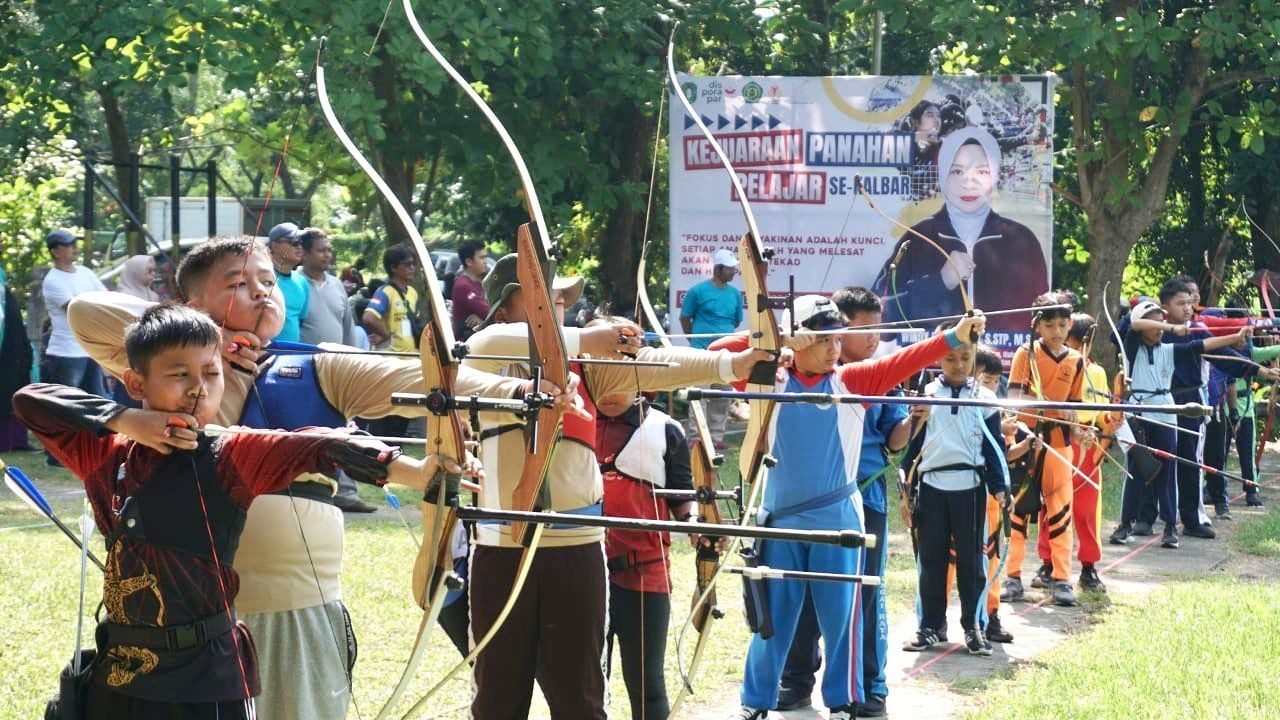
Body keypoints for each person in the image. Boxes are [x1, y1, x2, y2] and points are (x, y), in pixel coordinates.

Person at [67, 236, 539, 720]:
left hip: (297, 607)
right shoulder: (162, 363)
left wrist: (520, 390)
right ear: (192, 302)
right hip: (185, 618)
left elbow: (429, 379)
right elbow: (85, 311)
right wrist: (203, 337)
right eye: (238, 283)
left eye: (268, 281)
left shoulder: (318, 367)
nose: (261, 292)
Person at [14, 302, 440, 720]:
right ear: (136, 383)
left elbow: (321, 444)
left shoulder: (230, 452)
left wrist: (420, 474)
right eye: (179, 375)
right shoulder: (105, 452)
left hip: (207, 673)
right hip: (122, 673)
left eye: (211, 373)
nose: (198, 388)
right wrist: (124, 420)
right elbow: (30, 400)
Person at [459, 252, 772, 719]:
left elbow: (656, 364)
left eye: (562, 300)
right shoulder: (486, 358)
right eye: (545, 296)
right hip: (502, 547)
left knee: (579, 696)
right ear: (505, 306)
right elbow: (484, 342)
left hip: (577, 548)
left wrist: (736, 364)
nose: (558, 306)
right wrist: (585, 335)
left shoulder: (586, 367)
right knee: (497, 697)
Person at [713, 296, 987, 720]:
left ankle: (842, 702)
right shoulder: (770, 378)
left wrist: (954, 336)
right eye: (822, 339)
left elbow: (909, 359)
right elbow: (718, 354)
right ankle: (755, 701)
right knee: (771, 618)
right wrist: (778, 339)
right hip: (781, 520)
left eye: (837, 339)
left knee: (841, 618)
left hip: (836, 518)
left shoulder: (851, 380)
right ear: (799, 338)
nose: (833, 348)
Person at [777, 287, 909, 716]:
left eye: (879, 329)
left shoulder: (878, 375)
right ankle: (795, 681)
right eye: (863, 329)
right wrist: (782, 346)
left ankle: (870, 688)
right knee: (797, 592)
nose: (873, 339)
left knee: (861, 597)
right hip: (801, 502)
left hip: (862, 498)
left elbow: (894, 440)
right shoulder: (791, 371)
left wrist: (914, 418)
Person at [872, 127, 1047, 333]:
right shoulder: (918, 239)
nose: (968, 182)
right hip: (932, 361)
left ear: (996, 176)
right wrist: (941, 281)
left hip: (1000, 362)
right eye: (957, 171)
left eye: (981, 171)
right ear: (942, 177)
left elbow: (1041, 317)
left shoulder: (1020, 240)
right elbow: (879, 316)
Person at [901, 323, 1008, 658]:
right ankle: (930, 627)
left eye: (965, 358)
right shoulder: (928, 395)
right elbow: (911, 446)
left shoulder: (986, 398)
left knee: (972, 564)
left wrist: (1001, 487)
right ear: (937, 359)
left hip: (971, 489)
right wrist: (905, 483)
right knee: (931, 561)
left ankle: (973, 628)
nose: (959, 365)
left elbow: (994, 449)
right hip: (932, 487)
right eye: (949, 358)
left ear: (974, 355)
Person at [1107, 300, 1249, 549]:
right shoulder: (1132, 346)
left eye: (1162, 321)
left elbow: (1203, 345)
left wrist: (1232, 337)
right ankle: (1126, 524)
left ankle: (1170, 526)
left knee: (1167, 467)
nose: (1160, 326)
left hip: (1165, 411)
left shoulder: (1170, 350)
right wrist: (1172, 328)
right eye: (1155, 321)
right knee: (1137, 468)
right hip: (1139, 412)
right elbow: (1133, 322)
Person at [594, 382, 695, 720]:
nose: (607, 385)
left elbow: (682, 501)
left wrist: (698, 528)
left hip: (643, 573)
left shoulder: (665, 428)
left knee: (647, 685)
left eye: (617, 373)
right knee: (584, 686)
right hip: (582, 570)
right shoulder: (572, 420)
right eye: (599, 371)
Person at [1000, 294, 1084, 608]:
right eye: (1049, 324)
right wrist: (1032, 418)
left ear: (1070, 324)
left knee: (1061, 510)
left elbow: (1076, 407)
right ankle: (1012, 576)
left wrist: (1077, 425)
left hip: (1060, 443)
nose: (1057, 331)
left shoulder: (1076, 361)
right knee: (1018, 509)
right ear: (1037, 325)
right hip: (1026, 441)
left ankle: (1062, 579)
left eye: (1063, 324)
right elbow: (1014, 401)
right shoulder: (1026, 354)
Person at [40, 229, 108, 463]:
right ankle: (55, 455)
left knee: (97, 400)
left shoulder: (86, 273)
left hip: (89, 349)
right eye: (68, 244)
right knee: (65, 407)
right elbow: (77, 309)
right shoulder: (53, 280)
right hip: (65, 353)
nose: (73, 247)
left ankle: (95, 452)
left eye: (73, 243)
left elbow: (105, 298)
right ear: (55, 251)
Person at [680, 247, 744, 449]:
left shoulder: (735, 294)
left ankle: (716, 437)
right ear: (718, 269)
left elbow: (735, 321)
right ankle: (695, 437)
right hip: (701, 351)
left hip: (726, 354)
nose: (734, 272)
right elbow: (685, 317)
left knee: (721, 396)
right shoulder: (698, 291)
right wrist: (694, 340)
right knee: (699, 395)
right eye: (730, 269)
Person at [298, 227, 357, 348]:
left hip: (336, 363)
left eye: (329, 250)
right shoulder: (294, 283)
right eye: (321, 251)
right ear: (304, 254)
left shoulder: (337, 285)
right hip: (303, 362)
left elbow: (348, 328)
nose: (327, 255)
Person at [362, 243, 420, 352]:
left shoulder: (413, 293)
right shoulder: (385, 292)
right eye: (407, 264)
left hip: (409, 357)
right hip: (390, 358)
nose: (412, 268)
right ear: (393, 267)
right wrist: (385, 334)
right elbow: (369, 318)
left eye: (413, 264)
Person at [0, 267, 34, 451]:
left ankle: (18, 440)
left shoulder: (2, 278)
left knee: (16, 389)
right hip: (4, 344)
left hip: (12, 342)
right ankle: (5, 441)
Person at [267, 222, 309, 342]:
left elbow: (300, 320)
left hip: (291, 354)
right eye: (293, 241)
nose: (299, 246)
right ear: (274, 246)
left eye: (301, 242)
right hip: (262, 354)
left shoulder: (302, 282)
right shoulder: (261, 278)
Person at [451, 239, 491, 341]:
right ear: (469, 262)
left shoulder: (482, 281)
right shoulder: (463, 286)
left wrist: (482, 322)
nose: (486, 262)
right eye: (481, 258)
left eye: (486, 257)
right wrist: (484, 321)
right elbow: (489, 312)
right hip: (467, 344)